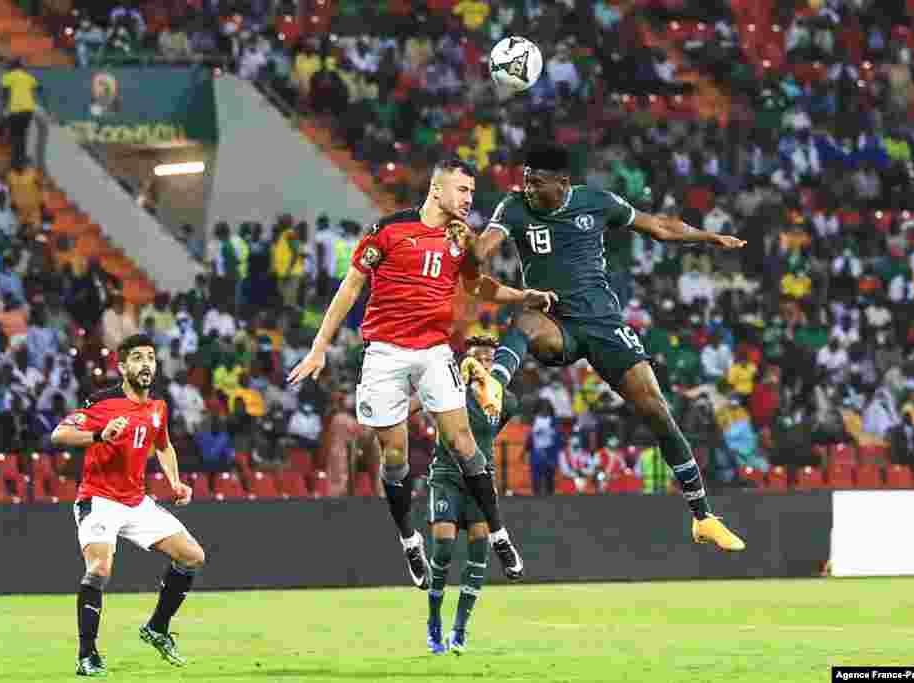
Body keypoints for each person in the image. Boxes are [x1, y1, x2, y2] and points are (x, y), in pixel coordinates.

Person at [289, 158, 557, 588]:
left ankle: (500, 534)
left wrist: (523, 296)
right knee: (393, 458)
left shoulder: (460, 240)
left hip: (434, 351)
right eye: (463, 190)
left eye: (472, 191)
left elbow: (477, 286)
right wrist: (320, 346)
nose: (470, 199)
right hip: (385, 354)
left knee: (465, 441)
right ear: (437, 190)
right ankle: (409, 541)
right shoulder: (390, 230)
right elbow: (351, 286)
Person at [471, 144, 747, 551]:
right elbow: (482, 250)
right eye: (525, 179)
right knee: (526, 318)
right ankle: (493, 383)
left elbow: (662, 227)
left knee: (656, 410)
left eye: (535, 181)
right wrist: (466, 246)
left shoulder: (596, 202)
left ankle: (703, 517)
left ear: (562, 183)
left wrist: (709, 238)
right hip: (555, 321)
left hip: (603, 323)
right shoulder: (513, 207)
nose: (526, 187)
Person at [51, 334, 205, 676]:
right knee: (100, 570)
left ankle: (157, 628)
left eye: (150, 357)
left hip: (136, 501)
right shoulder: (102, 402)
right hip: (99, 499)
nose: (146, 364)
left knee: (193, 556)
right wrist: (99, 435)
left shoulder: (158, 408)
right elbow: (59, 434)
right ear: (122, 367)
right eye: (137, 358)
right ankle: (87, 655)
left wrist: (174, 481)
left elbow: (162, 445)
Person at [422, 336, 518, 655]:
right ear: (467, 361)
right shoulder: (452, 391)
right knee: (444, 548)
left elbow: (492, 430)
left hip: (480, 480)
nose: (484, 365)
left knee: (479, 554)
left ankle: (460, 631)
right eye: (478, 358)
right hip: (448, 475)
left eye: (490, 360)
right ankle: (434, 618)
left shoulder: (503, 400)